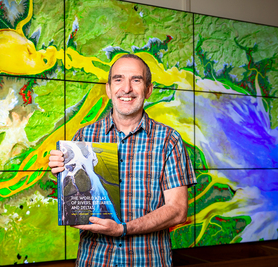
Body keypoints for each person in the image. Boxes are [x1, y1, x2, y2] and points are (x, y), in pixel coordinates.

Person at [49, 54, 196, 266]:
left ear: (148, 89)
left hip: (148, 261)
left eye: (136, 80)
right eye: (118, 79)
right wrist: (61, 173)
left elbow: (178, 211)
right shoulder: (83, 137)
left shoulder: (169, 141)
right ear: (108, 89)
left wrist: (123, 229)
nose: (126, 88)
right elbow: (77, 210)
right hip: (94, 261)